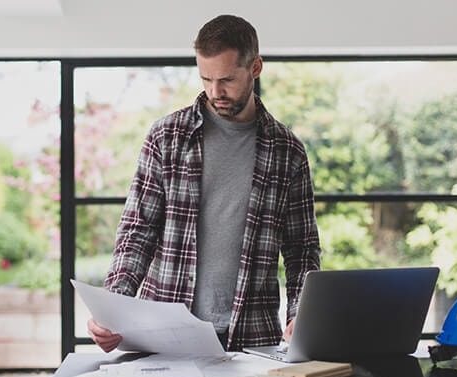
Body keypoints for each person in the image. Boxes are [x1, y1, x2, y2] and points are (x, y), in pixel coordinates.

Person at [87, 14, 320, 352]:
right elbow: (138, 232)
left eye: (226, 79)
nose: (215, 92)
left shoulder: (287, 151)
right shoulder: (166, 137)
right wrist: (114, 307)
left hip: (253, 337)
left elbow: (302, 249)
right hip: (165, 331)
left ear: (255, 67)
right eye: (206, 79)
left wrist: (302, 315)